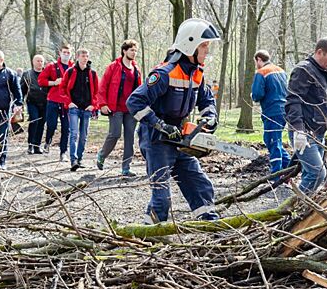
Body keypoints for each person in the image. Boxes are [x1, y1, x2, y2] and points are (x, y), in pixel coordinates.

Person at [127, 18, 220, 223]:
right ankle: (150, 233)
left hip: (180, 136)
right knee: (162, 198)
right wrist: (160, 125)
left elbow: (206, 100)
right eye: (204, 45)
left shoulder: (197, 74)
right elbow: (134, 102)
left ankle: (208, 221)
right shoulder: (164, 73)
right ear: (190, 45)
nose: (206, 51)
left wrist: (210, 117)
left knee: (199, 184)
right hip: (156, 138)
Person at [285, 37, 327, 193]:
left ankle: (304, 208)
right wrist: (298, 130)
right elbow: (293, 101)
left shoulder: (324, 72)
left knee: (310, 173)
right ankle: (295, 208)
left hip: (318, 132)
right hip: (306, 132)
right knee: (317, 174)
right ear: (319, 52)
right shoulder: (304, 70)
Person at [96, 40, 142, 176]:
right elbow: (102, 86)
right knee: (115, 134)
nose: (134, 53)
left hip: (130, 109)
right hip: (115, 107)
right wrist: (102, 104)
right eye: (132, 50)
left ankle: (126, 168)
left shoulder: (136, 70)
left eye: (135, 51)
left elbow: (139, 90)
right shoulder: (113, 67)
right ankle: (102, 154)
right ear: (124, 51)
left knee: (130, 138)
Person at [251, 50, 291, 179]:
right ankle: (289, 166)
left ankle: (276, 175)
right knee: (272, 139)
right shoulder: (281, 71)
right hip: (284, 109)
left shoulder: (261, 72)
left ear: (258, 59)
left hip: (271, 111)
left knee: (273, 141)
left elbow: (257, 94)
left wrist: (252, 96)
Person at [60, 48, 98, 171]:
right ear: (77, 57)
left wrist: (93, 105)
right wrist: (68, 102)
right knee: (74, 134)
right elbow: (62, 89)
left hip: (87, 108)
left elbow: (98, 92)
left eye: (86, 56)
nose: (85, 58)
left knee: (83, 136)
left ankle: (80, 159)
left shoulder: (92, 73)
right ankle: (73, 160)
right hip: (73, 108)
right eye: (82, 55)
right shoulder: (70, 72)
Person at [38, 44, 74, 161]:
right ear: (60, 52)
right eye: (64, 52)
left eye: (68, 52)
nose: (66, 54)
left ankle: (63, 152)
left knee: (66, 127)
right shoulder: (52, 66)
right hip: (53, 100)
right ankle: (48, 142)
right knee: (51, 125)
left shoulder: (74, 67)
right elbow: (41, 80)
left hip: (67, 102)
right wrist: (54, 82)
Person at [21, 54, 47, 154]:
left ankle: (37, 145)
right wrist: (20, 103)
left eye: (41, 61)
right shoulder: (27, 74)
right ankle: (30, 145)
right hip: (32, 102)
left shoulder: (47, 73)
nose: (40, 63)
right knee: (34, 121)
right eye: (38, 61)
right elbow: (22, 89)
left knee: (41, 123)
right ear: (33, 62)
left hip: (45, 102)